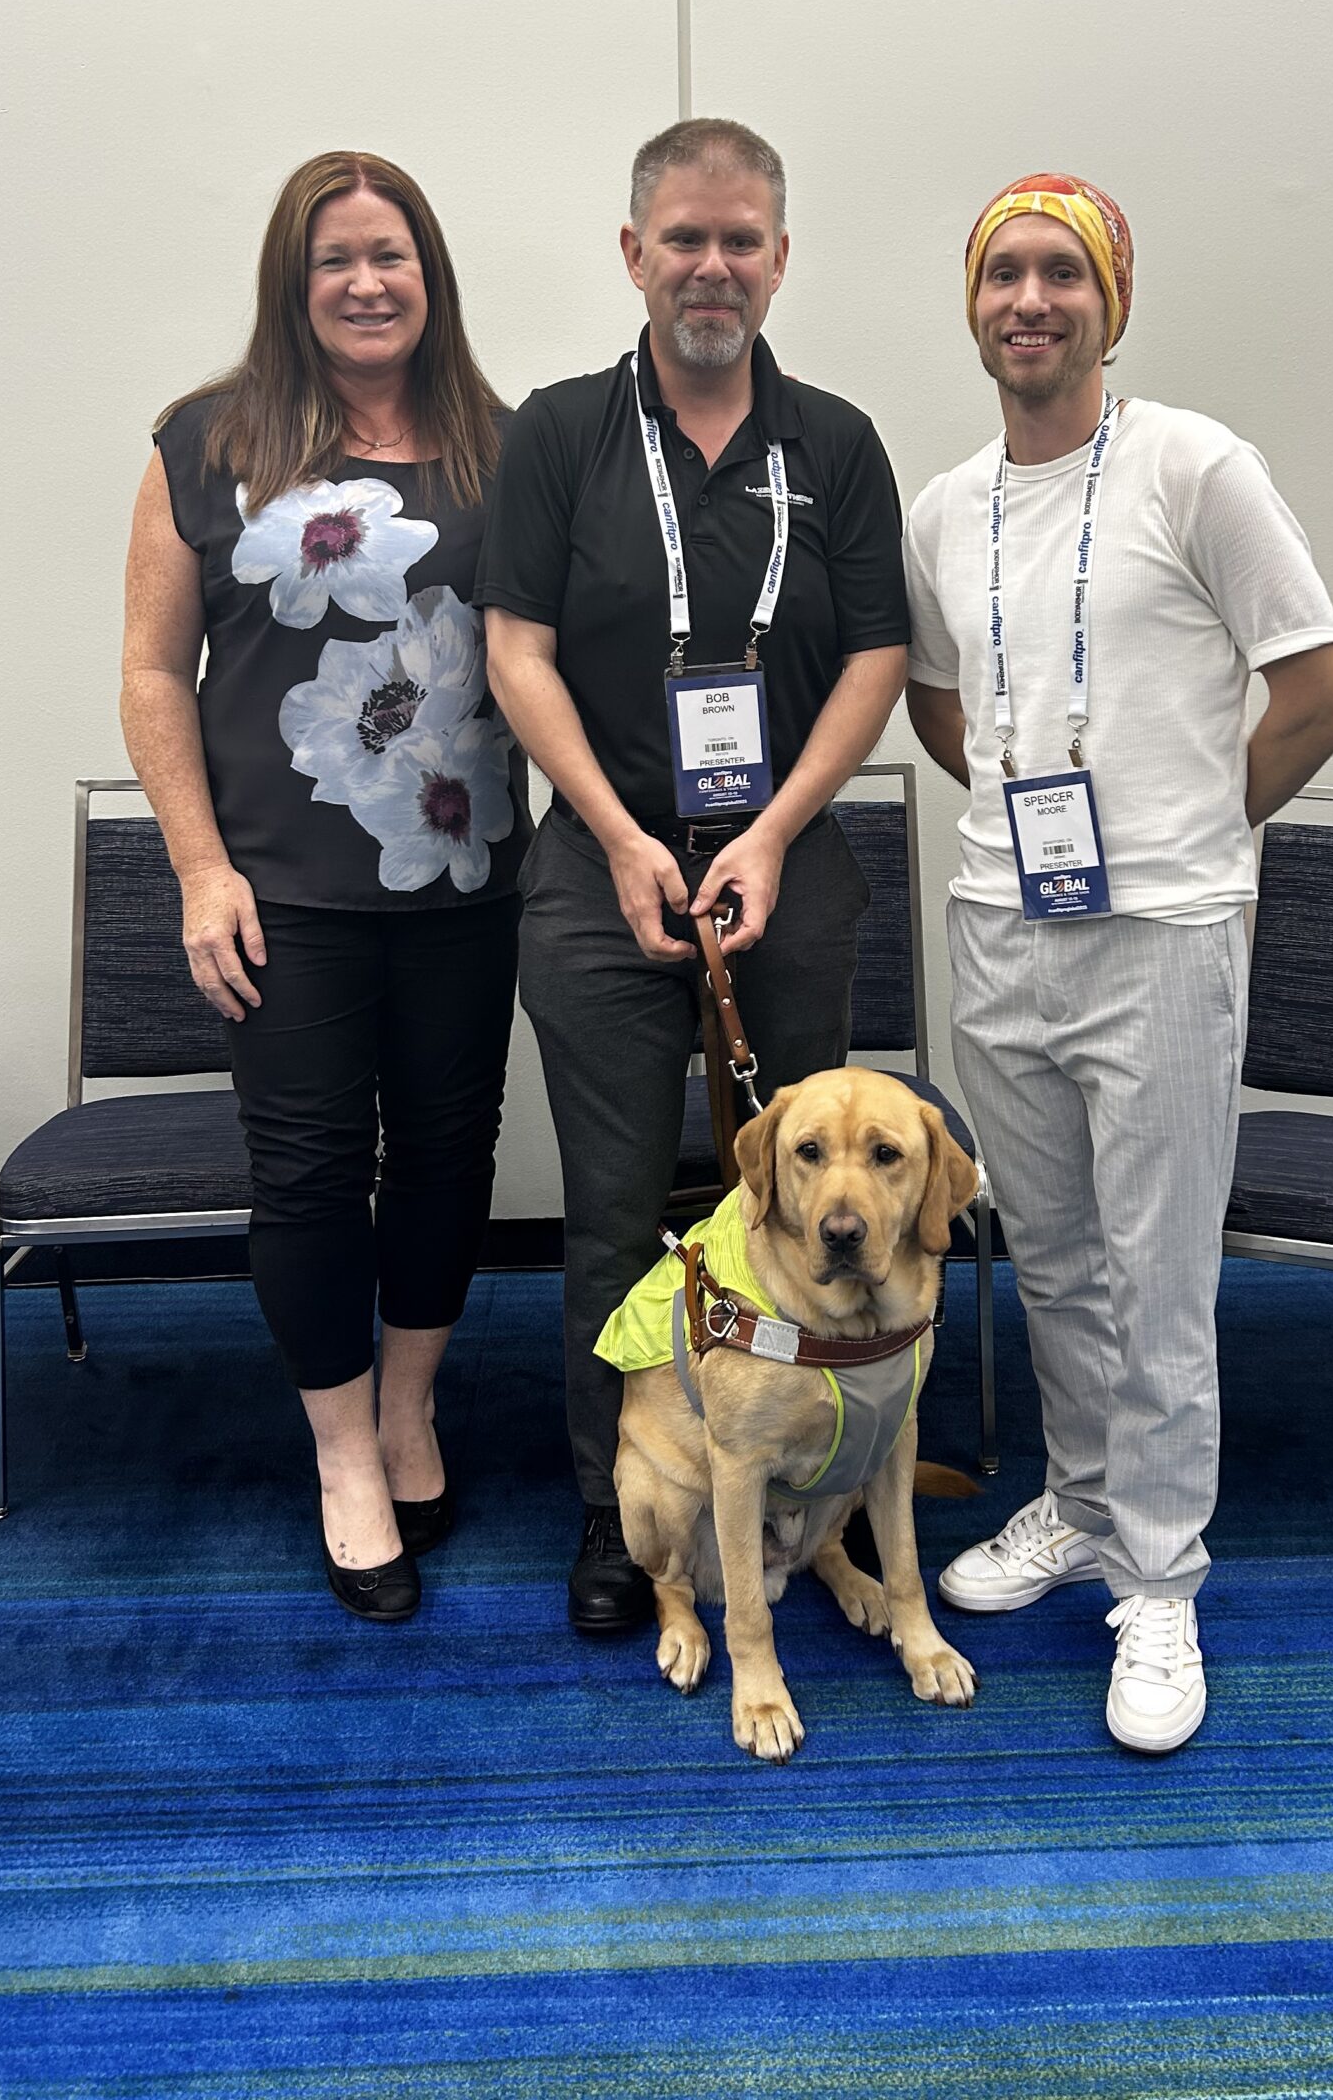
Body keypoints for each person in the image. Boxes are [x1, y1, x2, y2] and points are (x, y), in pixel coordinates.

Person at [903, 172, 1333, 1750]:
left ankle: (1161, 1581)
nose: (1030, 301)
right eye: (1003, 275)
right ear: (973, 306)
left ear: (1113, 301)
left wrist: (1192, 830)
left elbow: (1321, 690)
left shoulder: (1194, 467)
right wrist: (1033, 821)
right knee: (1055, 1258)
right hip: (999, 929)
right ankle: (1084, 1502)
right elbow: (939, 699)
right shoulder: (945, 507)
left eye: (1063, 275)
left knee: (1161, 1276)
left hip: (1161, 935)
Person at [478, 117, 909, 1633]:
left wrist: (776, 831)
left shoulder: (837, 444)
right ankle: (621, 1509)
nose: (711, 266)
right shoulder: (558, 434)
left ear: (780, 260)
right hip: (604, 869)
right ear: (633, 254)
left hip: (787, 873)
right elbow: (513, 649)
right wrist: (617, 834)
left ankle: (826, 1475)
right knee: (612, 1210)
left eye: (741, 240)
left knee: (819, 1203)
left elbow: (877, 655)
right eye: (684, 238)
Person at [120, 151, 528, 1624]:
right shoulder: (207, 442)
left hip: (466, 878)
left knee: (444, 1159)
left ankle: (412, 1406)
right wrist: (196, 866)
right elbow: (156, 671)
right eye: (335, 259)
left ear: (433, 278)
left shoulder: (503, 443)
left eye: (393, 256)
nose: (367, 283)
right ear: (293, 283)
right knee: (303, 1180)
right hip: (277, 897)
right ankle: (345, 1456)